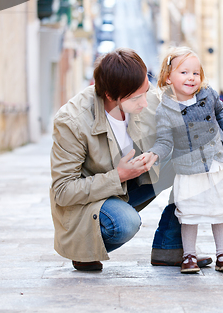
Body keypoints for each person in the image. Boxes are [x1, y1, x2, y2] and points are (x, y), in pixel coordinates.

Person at [50, 48, 211, 271]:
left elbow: (190, 104)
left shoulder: (146, 99)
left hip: (129, 185)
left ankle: (170, 246)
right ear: (109, 96)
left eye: (146, 91)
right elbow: (62, 191)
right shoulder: (72, 121)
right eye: (137, 98)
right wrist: (119, 176)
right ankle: (85, 249)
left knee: (190, 156)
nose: (145, 103)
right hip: (91, 206)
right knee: (125, 223)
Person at [138, 47, 223, 274]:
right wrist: (154, 154)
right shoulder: (165, 110)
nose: (191, 78)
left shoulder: (208, 95)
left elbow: (221, 112)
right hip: (188, 168)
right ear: (168, 77)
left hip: (215, 162)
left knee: (220, 209)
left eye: (196, 73)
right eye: (184, 72)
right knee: (189, 212)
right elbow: (164, 141)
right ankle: (188, 255)